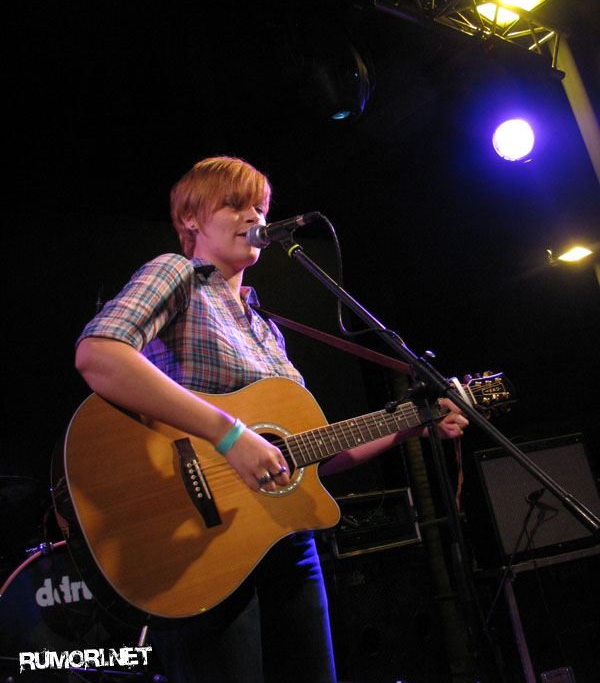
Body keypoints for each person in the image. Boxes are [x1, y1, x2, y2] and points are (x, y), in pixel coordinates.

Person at [74, 155, 468, 683]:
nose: (253, 216)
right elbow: (99, 353)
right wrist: (230, 435)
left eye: (258, 207)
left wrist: (409, 425)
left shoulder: (266, 327)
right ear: (190, 218)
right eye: (233, 205)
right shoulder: (177, 274)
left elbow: (303, 459)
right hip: (198, 538)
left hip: (286, 541)